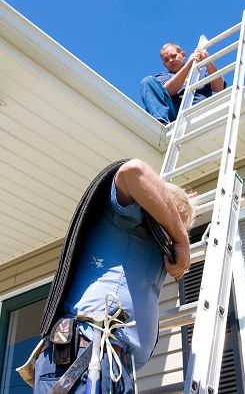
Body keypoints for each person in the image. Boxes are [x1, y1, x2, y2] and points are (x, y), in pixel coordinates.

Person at [18, 159, 196, 394]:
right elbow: (134, 172)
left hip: (110, 366)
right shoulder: (131, 216)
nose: (172, 238)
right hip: (83, 358)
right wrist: (182, 240)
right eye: (174, 226)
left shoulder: (152, 248)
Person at [140, 43, 226, 124]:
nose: (171, 60)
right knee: (147, 81)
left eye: (173, 56)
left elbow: (219, 88)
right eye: (166, 60)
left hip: (201, 110)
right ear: (164, 65)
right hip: (177, 115)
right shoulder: (163, 76)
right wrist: (189, 64)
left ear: (183, 55)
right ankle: (161, 123)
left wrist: (208, 61)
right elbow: (170, 90)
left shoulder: (202, 70)